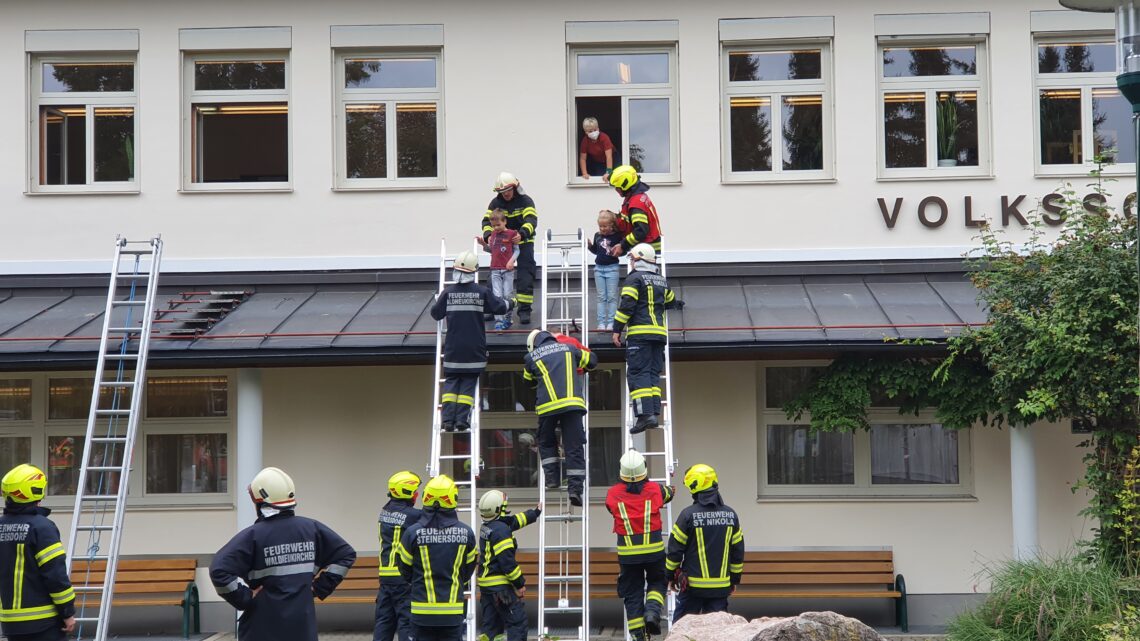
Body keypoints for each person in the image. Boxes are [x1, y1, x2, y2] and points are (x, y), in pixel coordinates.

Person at [210, 466, 356, 641]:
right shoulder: (313, 529)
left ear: (260, 501)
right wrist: (320, 587)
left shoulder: (253, 536)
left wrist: (244, 598)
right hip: (302, 626)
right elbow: (346, 554)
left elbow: (218, 570)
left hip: (261, 627)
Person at [430, 250, 513, 432]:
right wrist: (512, 302)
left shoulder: (448, 292)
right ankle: (462, 421)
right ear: (473, 271)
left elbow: (436, 314)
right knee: (468, 383)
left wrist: (437, 300)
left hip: (453, 348)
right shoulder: (481, 292)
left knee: (451, 383)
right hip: (474, 348)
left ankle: (447, 421)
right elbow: (500, 307)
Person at [612, 244, 682, 434]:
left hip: (640, 335)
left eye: (633, 259)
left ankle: (645, 416)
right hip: (658, 335)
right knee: (652, 374)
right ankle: (653, 413)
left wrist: (617, 329)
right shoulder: (662, 280)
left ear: (638, 259)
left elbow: (627, 306)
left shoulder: (633, 279)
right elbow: (671, 301)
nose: (632, 262)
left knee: (638, 373)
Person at [397, 475, 478, 641]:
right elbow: (468, 569)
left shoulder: (412, 532)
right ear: (452, 498)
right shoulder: (467, 533)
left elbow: (404, 568)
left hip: (421, 612)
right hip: (452, 612)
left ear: (426, 497)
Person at [523, 329, 598, 506]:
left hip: (547, 408)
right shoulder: (569, 348)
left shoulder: (531, 357)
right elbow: (592, 361)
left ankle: (552, 479)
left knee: (546, 441)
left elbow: (529, 382)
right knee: (574, 447)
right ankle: (575, 491)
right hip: (572, 405)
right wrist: (580, 367)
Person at [0, 464, 75, 641]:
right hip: (44, 622)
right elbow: (55, 576)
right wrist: (67, 612)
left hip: (10, 623)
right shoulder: (42, 527)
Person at [605, 450, 674, 641]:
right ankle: (652, 612)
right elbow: (668, 494)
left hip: (628, 555)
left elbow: (610, 507)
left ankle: (639, 635)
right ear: (644, 469)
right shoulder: (654, 489)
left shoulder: (612, 493)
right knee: (658, 582)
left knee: (632, 592)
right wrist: (671, 490)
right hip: (654, 552)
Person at [666, 464, 744, 622]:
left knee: (682, 633)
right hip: (720, 589)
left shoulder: (687, 515)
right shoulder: (731, 515)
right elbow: (738, 553)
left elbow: (674, 551)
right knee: (718, 633)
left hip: (692, 589)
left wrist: (669, 576)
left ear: (695, 486)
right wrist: (734, 580)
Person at [475, 490, 541, 641]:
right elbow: (507, 562)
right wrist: (519, 584)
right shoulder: (501, 531)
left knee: (491, 628)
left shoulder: (489, 526)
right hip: (501, 590)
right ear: (499, 508)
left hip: (487, 588)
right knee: (517, 623)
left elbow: (513, 521)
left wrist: (535, 513)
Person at [482, 172, 537, 325]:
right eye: (502, 192)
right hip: (501, 244)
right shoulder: (495, 203)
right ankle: (493, 308)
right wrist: (488, 237)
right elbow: (487, 222)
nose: (505, 194)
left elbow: (531, 220)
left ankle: (524, 310)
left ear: (514, 188)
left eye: (508, 191)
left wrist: (522, 234)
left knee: (525, 272)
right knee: (496, 272)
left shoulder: (526, 201)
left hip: (523, 242)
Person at [374, 471, 424, 641]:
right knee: (406, 622)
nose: (417, 494)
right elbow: (432, 518)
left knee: (384, 621)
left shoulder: (384, 511)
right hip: (403, 578)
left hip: (385, 578)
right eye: (415, 491)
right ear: (407, 493)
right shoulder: (413, 515)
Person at [476, 209, 521, 331]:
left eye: (498, 225)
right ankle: (499, 321)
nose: (496, 228)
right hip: (495, 269)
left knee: (507, 294)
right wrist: (483, 245)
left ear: (504, 221)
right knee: (497, 295)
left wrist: (511, 261)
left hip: (507, 270)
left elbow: (517, 250)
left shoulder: (512, 234)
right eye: (493, 226)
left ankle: (508, 318)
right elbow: (492, 250)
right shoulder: (493, 235)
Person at [608, 165, 662, 257]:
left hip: (645, 251)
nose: (616, 190)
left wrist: (623, 245)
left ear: (625, 184)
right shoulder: (636, 197)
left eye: (617, 187)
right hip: (645, 248)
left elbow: (641, 231)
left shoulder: (636, 204)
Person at [587, 209, 625, 331]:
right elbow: (596, 250)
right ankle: (601, 322)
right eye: (600, 226)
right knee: (601, 296)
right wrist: (589, 246)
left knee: (612, 297)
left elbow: (622, 251)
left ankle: (611, 322)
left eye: (605, 226)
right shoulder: (597, 235)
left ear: (612, 225)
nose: (602, 229)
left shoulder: (617, 236)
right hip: (599, 268)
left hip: (612, 268)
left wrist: (619, 252)